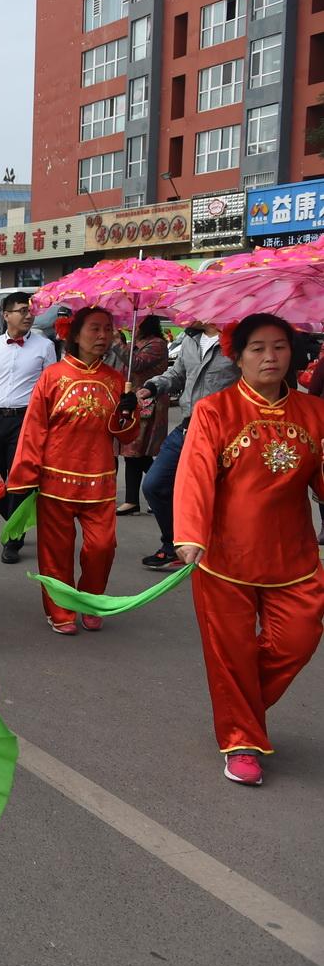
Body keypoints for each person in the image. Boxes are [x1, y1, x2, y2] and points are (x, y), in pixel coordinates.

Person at [173, 313, 324, 787]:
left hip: (294, 558)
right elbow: (195, 473)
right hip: (224, 557)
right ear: (237, 356)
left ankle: (241, 707)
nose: (270, 357)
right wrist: (190, 533)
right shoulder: (215, 410)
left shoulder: (315, 414)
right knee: (232, 653)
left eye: (279, 347)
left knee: (298, 639)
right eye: (257, 348)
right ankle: (241, 738)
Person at [5, 307, 139, 635]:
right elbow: (34, 429)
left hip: (100, 482)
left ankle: (91, 601)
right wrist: (25, 475)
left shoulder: (117, 380)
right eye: (94, 329)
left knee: (102, 547)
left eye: (107, 329)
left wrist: (128, 412)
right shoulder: (53, 376)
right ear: (74, 335)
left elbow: (125, 436)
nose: (103, 336)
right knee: (56, 553)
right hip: (55, 480)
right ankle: (61, 609)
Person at [136, 321, 238, 571]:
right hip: (187, 427)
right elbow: (178, 374)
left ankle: (217, 551)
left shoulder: (237, 341)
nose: (185, 315)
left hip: (225, 431)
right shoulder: (190, 340)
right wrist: (152, 386)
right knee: (155, 484)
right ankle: (175, 545)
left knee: (219, 495)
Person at [0, 291, 57, 563]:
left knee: (19, 482)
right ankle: (19, 519)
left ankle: (13, 539)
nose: (28, 315)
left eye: (30, 311)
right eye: (21, 311)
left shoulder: (44, 346)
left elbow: (51, 388)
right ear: (6, 315)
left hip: (26, 421)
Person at [116, 315, 171, 516]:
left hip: (150, 403)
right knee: (133, 453)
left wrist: (117, 343)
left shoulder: (156, 344)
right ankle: (134, 499)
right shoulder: (134, 343)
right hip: (134, 401)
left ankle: (163, 486)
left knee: (137, 451)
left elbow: (137, 364)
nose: (132, 327)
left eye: (135, 323)